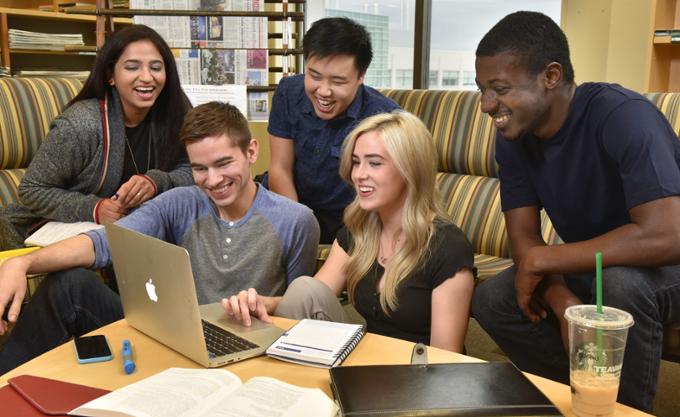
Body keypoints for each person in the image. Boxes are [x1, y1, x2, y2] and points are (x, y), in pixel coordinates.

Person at [0, 101, 320, 374]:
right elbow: (104, 243)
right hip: (176, 335)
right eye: (200, 168)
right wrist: (23, 263)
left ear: (251, 152)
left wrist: (259, 304)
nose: (213, 180)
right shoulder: (180, 201)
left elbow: (296, 307)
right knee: (67, 285)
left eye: (224, 163)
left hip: (247, 345)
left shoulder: (296, 220)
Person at [470, 11, 680, 413]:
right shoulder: (513, 136)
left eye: (499, 88)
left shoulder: (623, 116)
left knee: (619, 290)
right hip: (600, 263)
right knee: (495, 297)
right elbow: (523, 240)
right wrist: (560, 296)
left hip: (668, 266)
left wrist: (548, 259)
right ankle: (572, 396)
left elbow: (667, 235)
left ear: (550, 77)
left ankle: (622, 410)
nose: (486, 105)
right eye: (481, 89)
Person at [226, 111, 475, 352]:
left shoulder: (447, 246)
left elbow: (446, 356)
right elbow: (308, 299)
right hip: (366, 361)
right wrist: (264, 303)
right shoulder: (360, 230)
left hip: (419, 374)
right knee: (304, 287)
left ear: (410, 169)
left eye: (374, 163)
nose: (359, 174)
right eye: (356, 162)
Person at [0, 24, 194, 250]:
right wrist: (95, 208)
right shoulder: (81, 124)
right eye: (132, 67)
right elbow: (32, 190)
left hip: (139, 230)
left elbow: (197, 170)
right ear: (110, 76)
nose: (147, 77)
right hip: (70, 231)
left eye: (156, 68)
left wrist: (158, 181)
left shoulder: (175, 111)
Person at [266, 17, 400, 244]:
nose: (324, 92)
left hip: (343, 219)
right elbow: (280, 167)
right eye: (314, 76)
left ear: (360, 76)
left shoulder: (385, 119)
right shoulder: (289, 91)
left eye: (338, 81)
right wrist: (297, 224)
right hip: (288, 204)